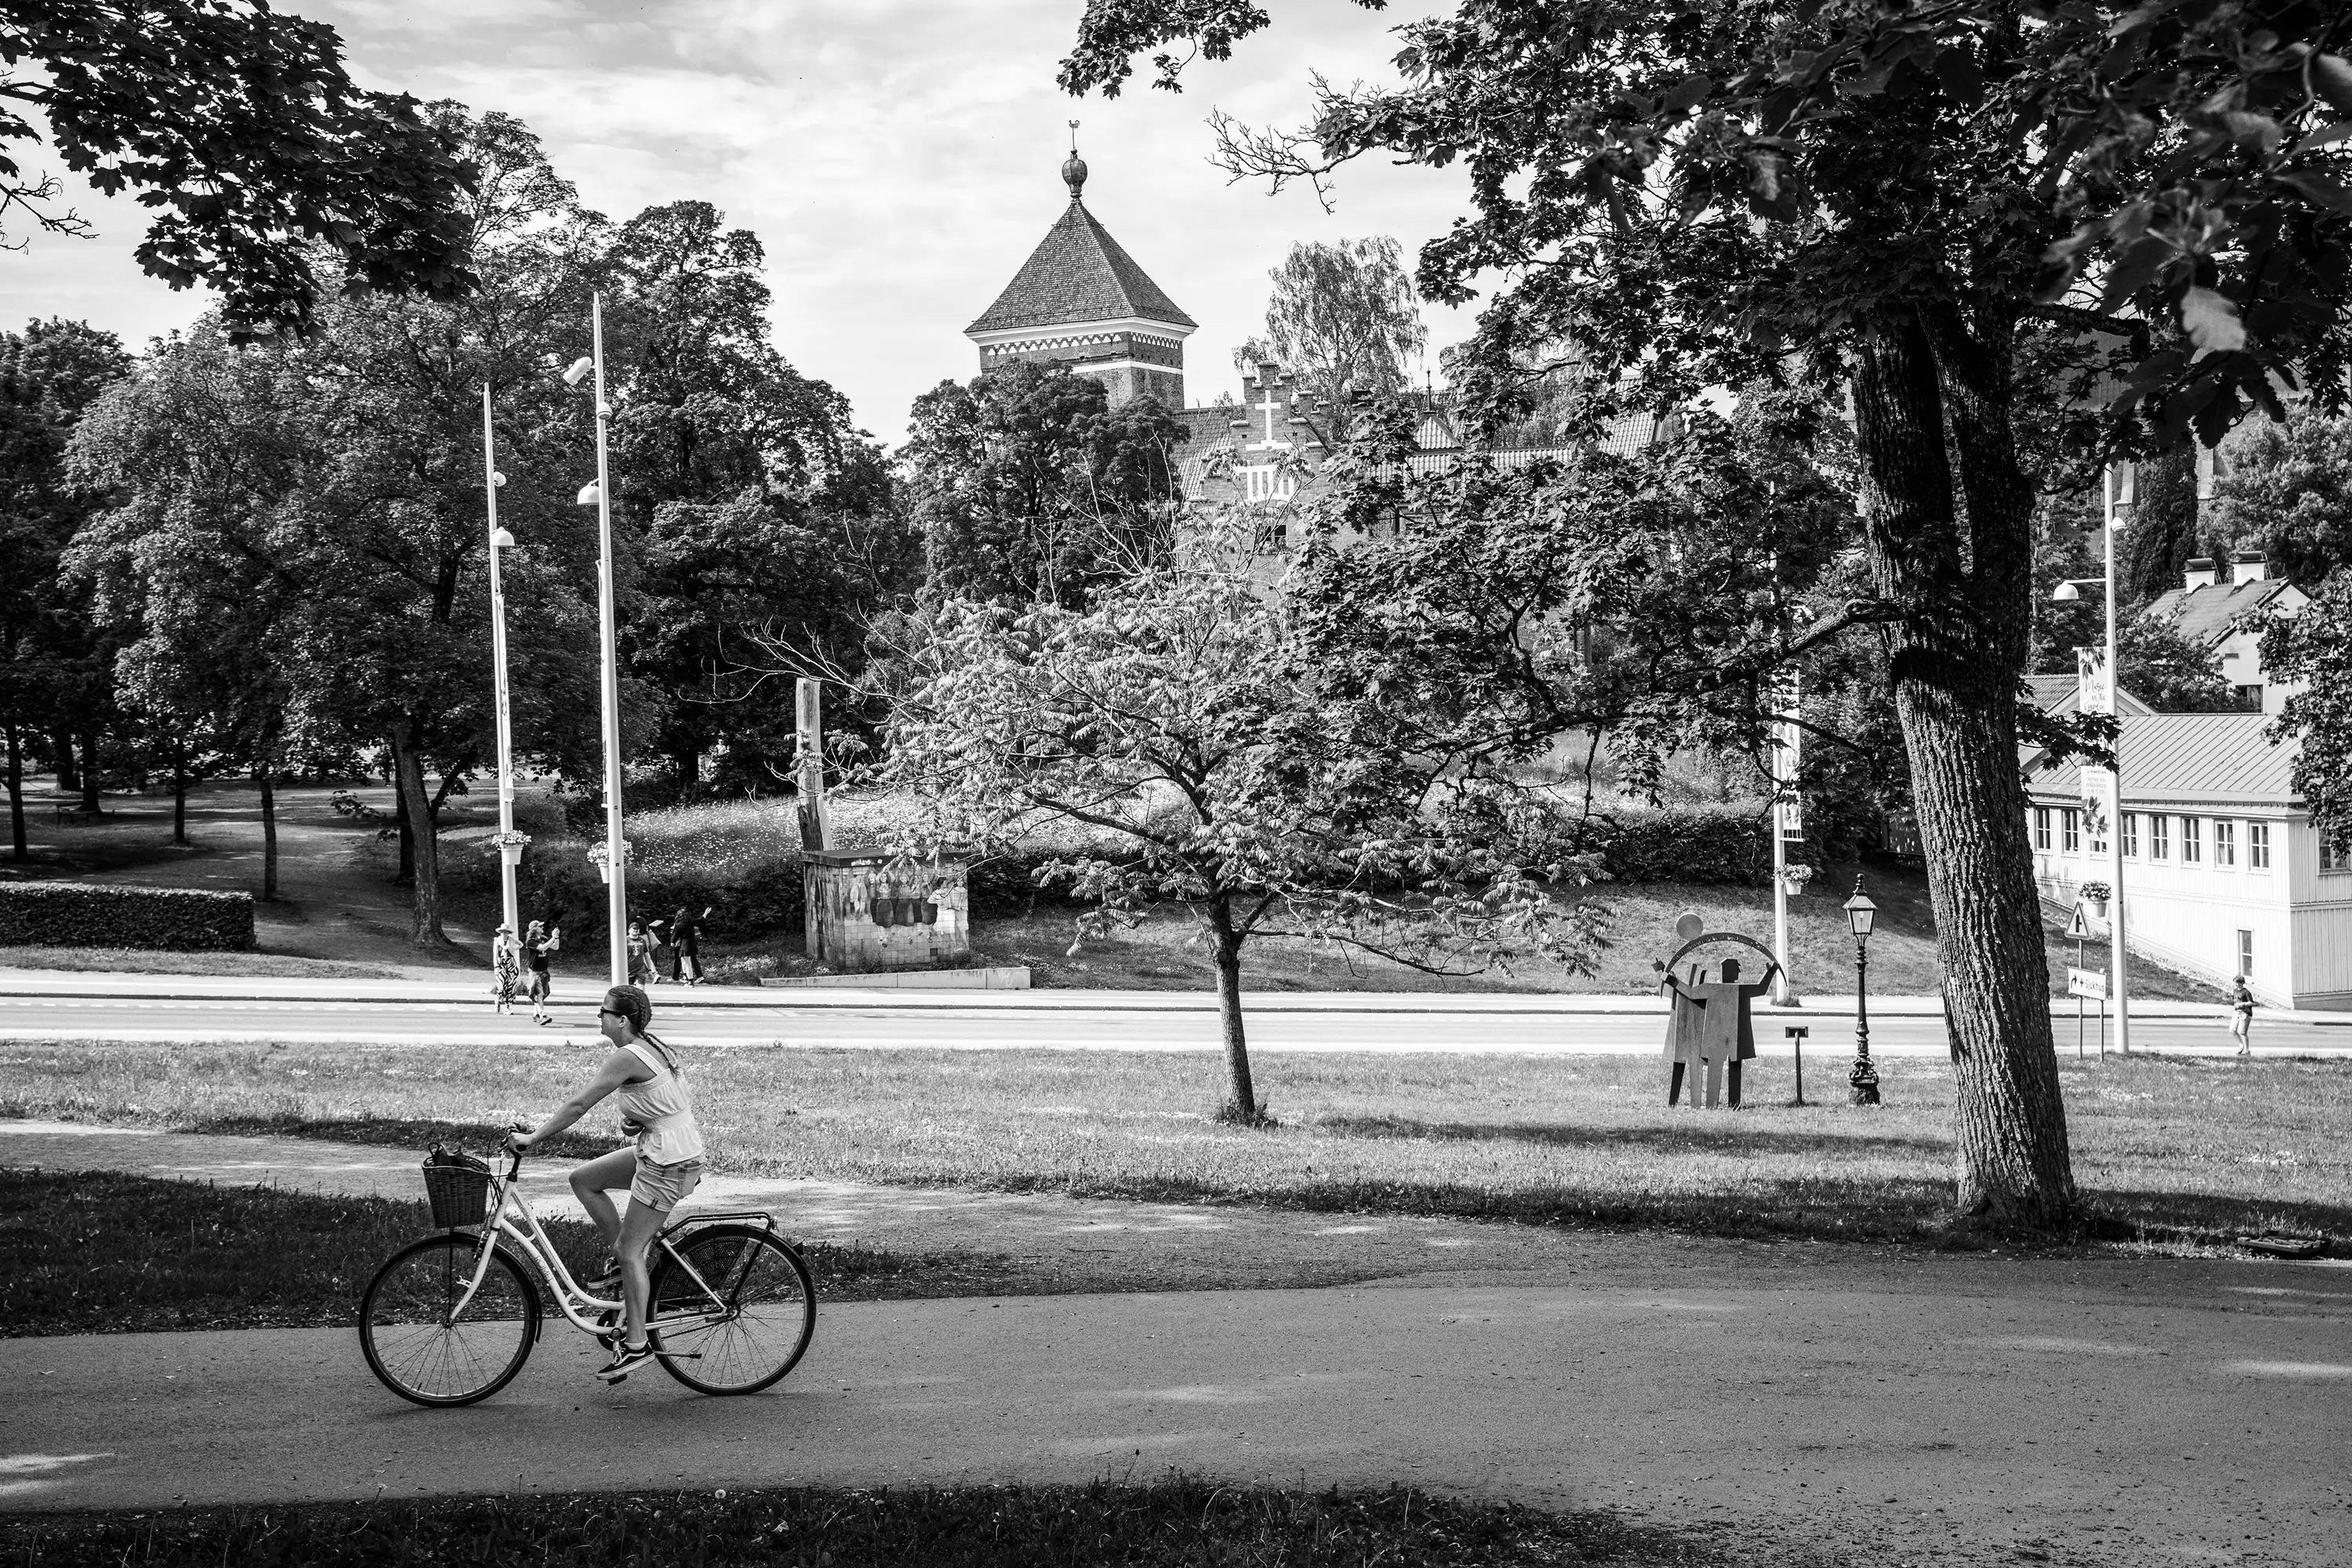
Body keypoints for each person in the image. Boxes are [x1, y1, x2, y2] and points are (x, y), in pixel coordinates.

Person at [507, 984, 704, 1384]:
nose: (599, 1016)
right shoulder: (652, 1047)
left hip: (669, 1160)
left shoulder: (625, 1056)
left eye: (603, 1011)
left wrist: (533, 1139)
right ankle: (621, 1265)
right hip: (662, 1147)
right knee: (583, 1179)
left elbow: (579, 1105)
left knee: (633, 1251)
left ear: (622, 1020)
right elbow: (666, 1100)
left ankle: (637, 1346)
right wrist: (639, 1120)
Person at [524, 917, 561, 1025]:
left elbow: (555, 947)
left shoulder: (544, 938)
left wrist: (556, 938)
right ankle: (542, 1015)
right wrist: (553, 938)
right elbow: (543, 948)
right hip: (535, 972)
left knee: (544, 993)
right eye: (540, 926)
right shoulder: (530, 942)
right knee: (539, 994)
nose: (542, 927)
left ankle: (535, 1015)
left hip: (544, 971)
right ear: (534, 929)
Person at [670, 905, 712, 985]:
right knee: (687, 961)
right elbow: (700, 920)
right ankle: (687, 978)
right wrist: (705, 913)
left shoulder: (679, 925)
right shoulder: (691, 922)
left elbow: (675, 935)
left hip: (684, 944)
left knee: (687, 963)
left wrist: (672, 942)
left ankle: (690, 981)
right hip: (692, 943)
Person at [489, 924, 523, 1016]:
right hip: (501, 963)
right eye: (503, 932)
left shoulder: (511, 940)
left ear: (508, 933)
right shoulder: (497, 941)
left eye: (506, 932)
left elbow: (521, 944)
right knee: (501, 985)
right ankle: (498, 1001)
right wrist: (496, 966)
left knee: (511, 985)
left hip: (511, 963)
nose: (504, 934)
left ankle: (508, 1006)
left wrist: (514, 949)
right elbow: (495, 954)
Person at [2231, 975, 2256, 1056]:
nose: (2236, 984)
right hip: (2237, 1012)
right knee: (2232, 1030)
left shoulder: (2246, 992)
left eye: (2238, 982)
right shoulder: (2235, 991)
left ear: (2242, 983)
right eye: (2235, 982)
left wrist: (2242, 1004)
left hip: (2245, 1013)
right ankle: (2241, 1045)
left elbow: (2252, 1003)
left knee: (2242, 1032)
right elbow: (2234, 1000)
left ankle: (2247, 1050)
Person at [626, 919, 655, 987]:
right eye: (634, 928)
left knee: (640, 989)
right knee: (630, 992)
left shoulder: (642, 940)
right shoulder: (625, 940)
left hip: (640, 969)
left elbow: (647, 956)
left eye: (638, 929)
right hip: (628, 970)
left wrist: (650, 970)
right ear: (629, 930)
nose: (636, 930)